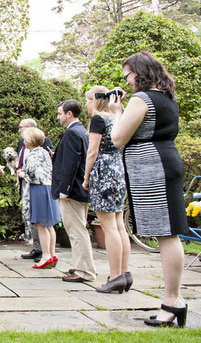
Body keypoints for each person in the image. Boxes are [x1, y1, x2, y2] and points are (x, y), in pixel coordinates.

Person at [110, 52, 188, 327]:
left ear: (139, 73)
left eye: (128, 75)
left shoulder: (141, 99)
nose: (127, 82)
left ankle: (172, 302)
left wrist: (117, 113)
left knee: (166, 235)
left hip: (154, 169)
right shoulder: (167, 97)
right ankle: (172, 300)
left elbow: (118, 138)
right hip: (163, 162)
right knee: (167, 233)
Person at [83, 86, 131, 293]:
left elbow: (92, 151)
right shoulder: (116, 117)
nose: (86, 104)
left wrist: (86, 177)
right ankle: (124, 272)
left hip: (103, 172)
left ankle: (115, 275)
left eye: (87, 100)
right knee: (119, 226)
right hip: (118, 170)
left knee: (109, 226)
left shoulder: (98, 119)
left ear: (94, 100)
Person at [52, 100, 97, 283]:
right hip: (80, 188)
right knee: (79, 230)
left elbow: (71, 164)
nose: (58, 116)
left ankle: (84, 271)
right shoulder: (81, 131)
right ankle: (81, 265)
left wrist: (65, 189)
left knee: (76, 231)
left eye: (60, 113)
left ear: (69, 114)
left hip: (73, 190)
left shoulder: (72, 133)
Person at [18, 127, 60, 269]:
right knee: (49, 225)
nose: (24, 141)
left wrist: (23, 174)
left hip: (38, 190)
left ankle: (46, 256)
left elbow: (33, 175)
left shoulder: (32, 154)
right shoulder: (45, 152)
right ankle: (52, 254)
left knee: (41, 225)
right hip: (48, 187)